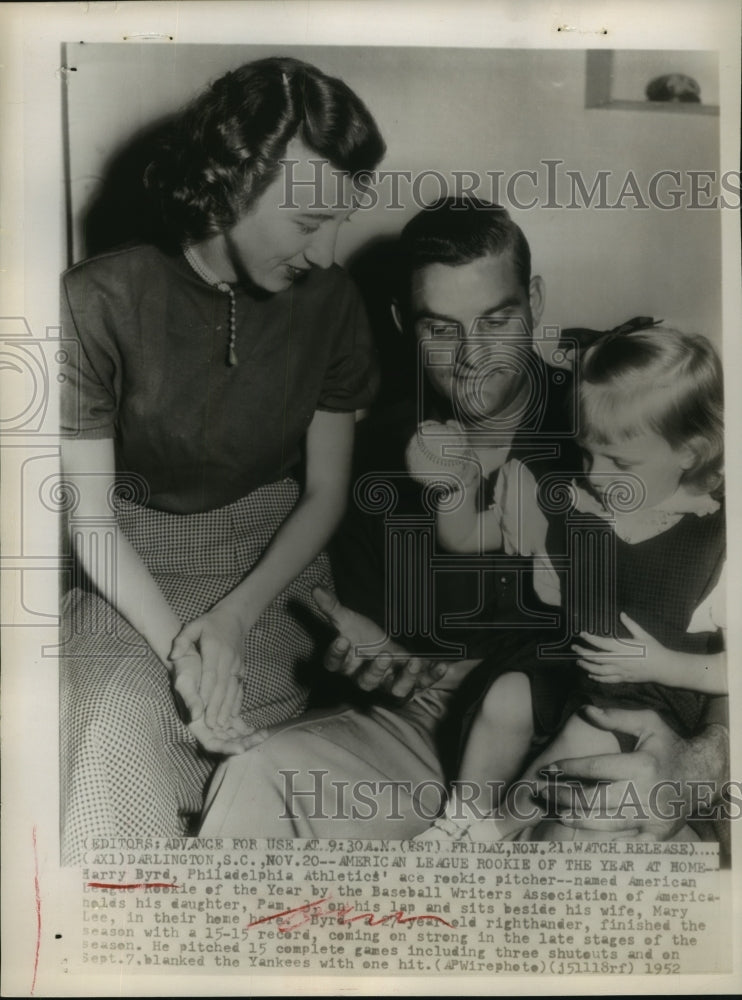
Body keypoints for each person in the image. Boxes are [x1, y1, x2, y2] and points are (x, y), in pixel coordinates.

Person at [199, 200, 730, 844]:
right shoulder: (374, 464)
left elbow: (714, 599)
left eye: (496, 320)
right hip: (444, 728)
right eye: (441, 329)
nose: (473, 356)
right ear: (404, 324)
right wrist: (384, 660)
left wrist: (707, 758)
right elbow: (394, 656)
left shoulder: (620, 414)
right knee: (260, 774)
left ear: (534, 301)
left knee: (585, 840)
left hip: (610, 719)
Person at [58, 56, 386, 863]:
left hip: (274, 569)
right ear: (231, 184)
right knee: (111, 736)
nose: (326, 251)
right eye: (308, 223)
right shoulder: (96, 300)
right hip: (130, 575)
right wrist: (186, 648)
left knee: (281, 770)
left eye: (340, 220)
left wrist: (234, 621)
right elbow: (92, 519)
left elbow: (325, 494)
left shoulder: (335, 302)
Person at [420, 326, 727, 841]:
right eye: (587, 456)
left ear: (689, 453)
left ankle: (493, 831)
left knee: (587, 732)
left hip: (652, 708)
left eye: (620, 463)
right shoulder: (580, 506)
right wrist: (459, 485)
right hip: (574, 675)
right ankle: (458, 820)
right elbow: (467, 537)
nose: (596, 477)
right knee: (506, 694)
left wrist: (665, 665)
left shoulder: (715, 540)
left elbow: (731, 671)